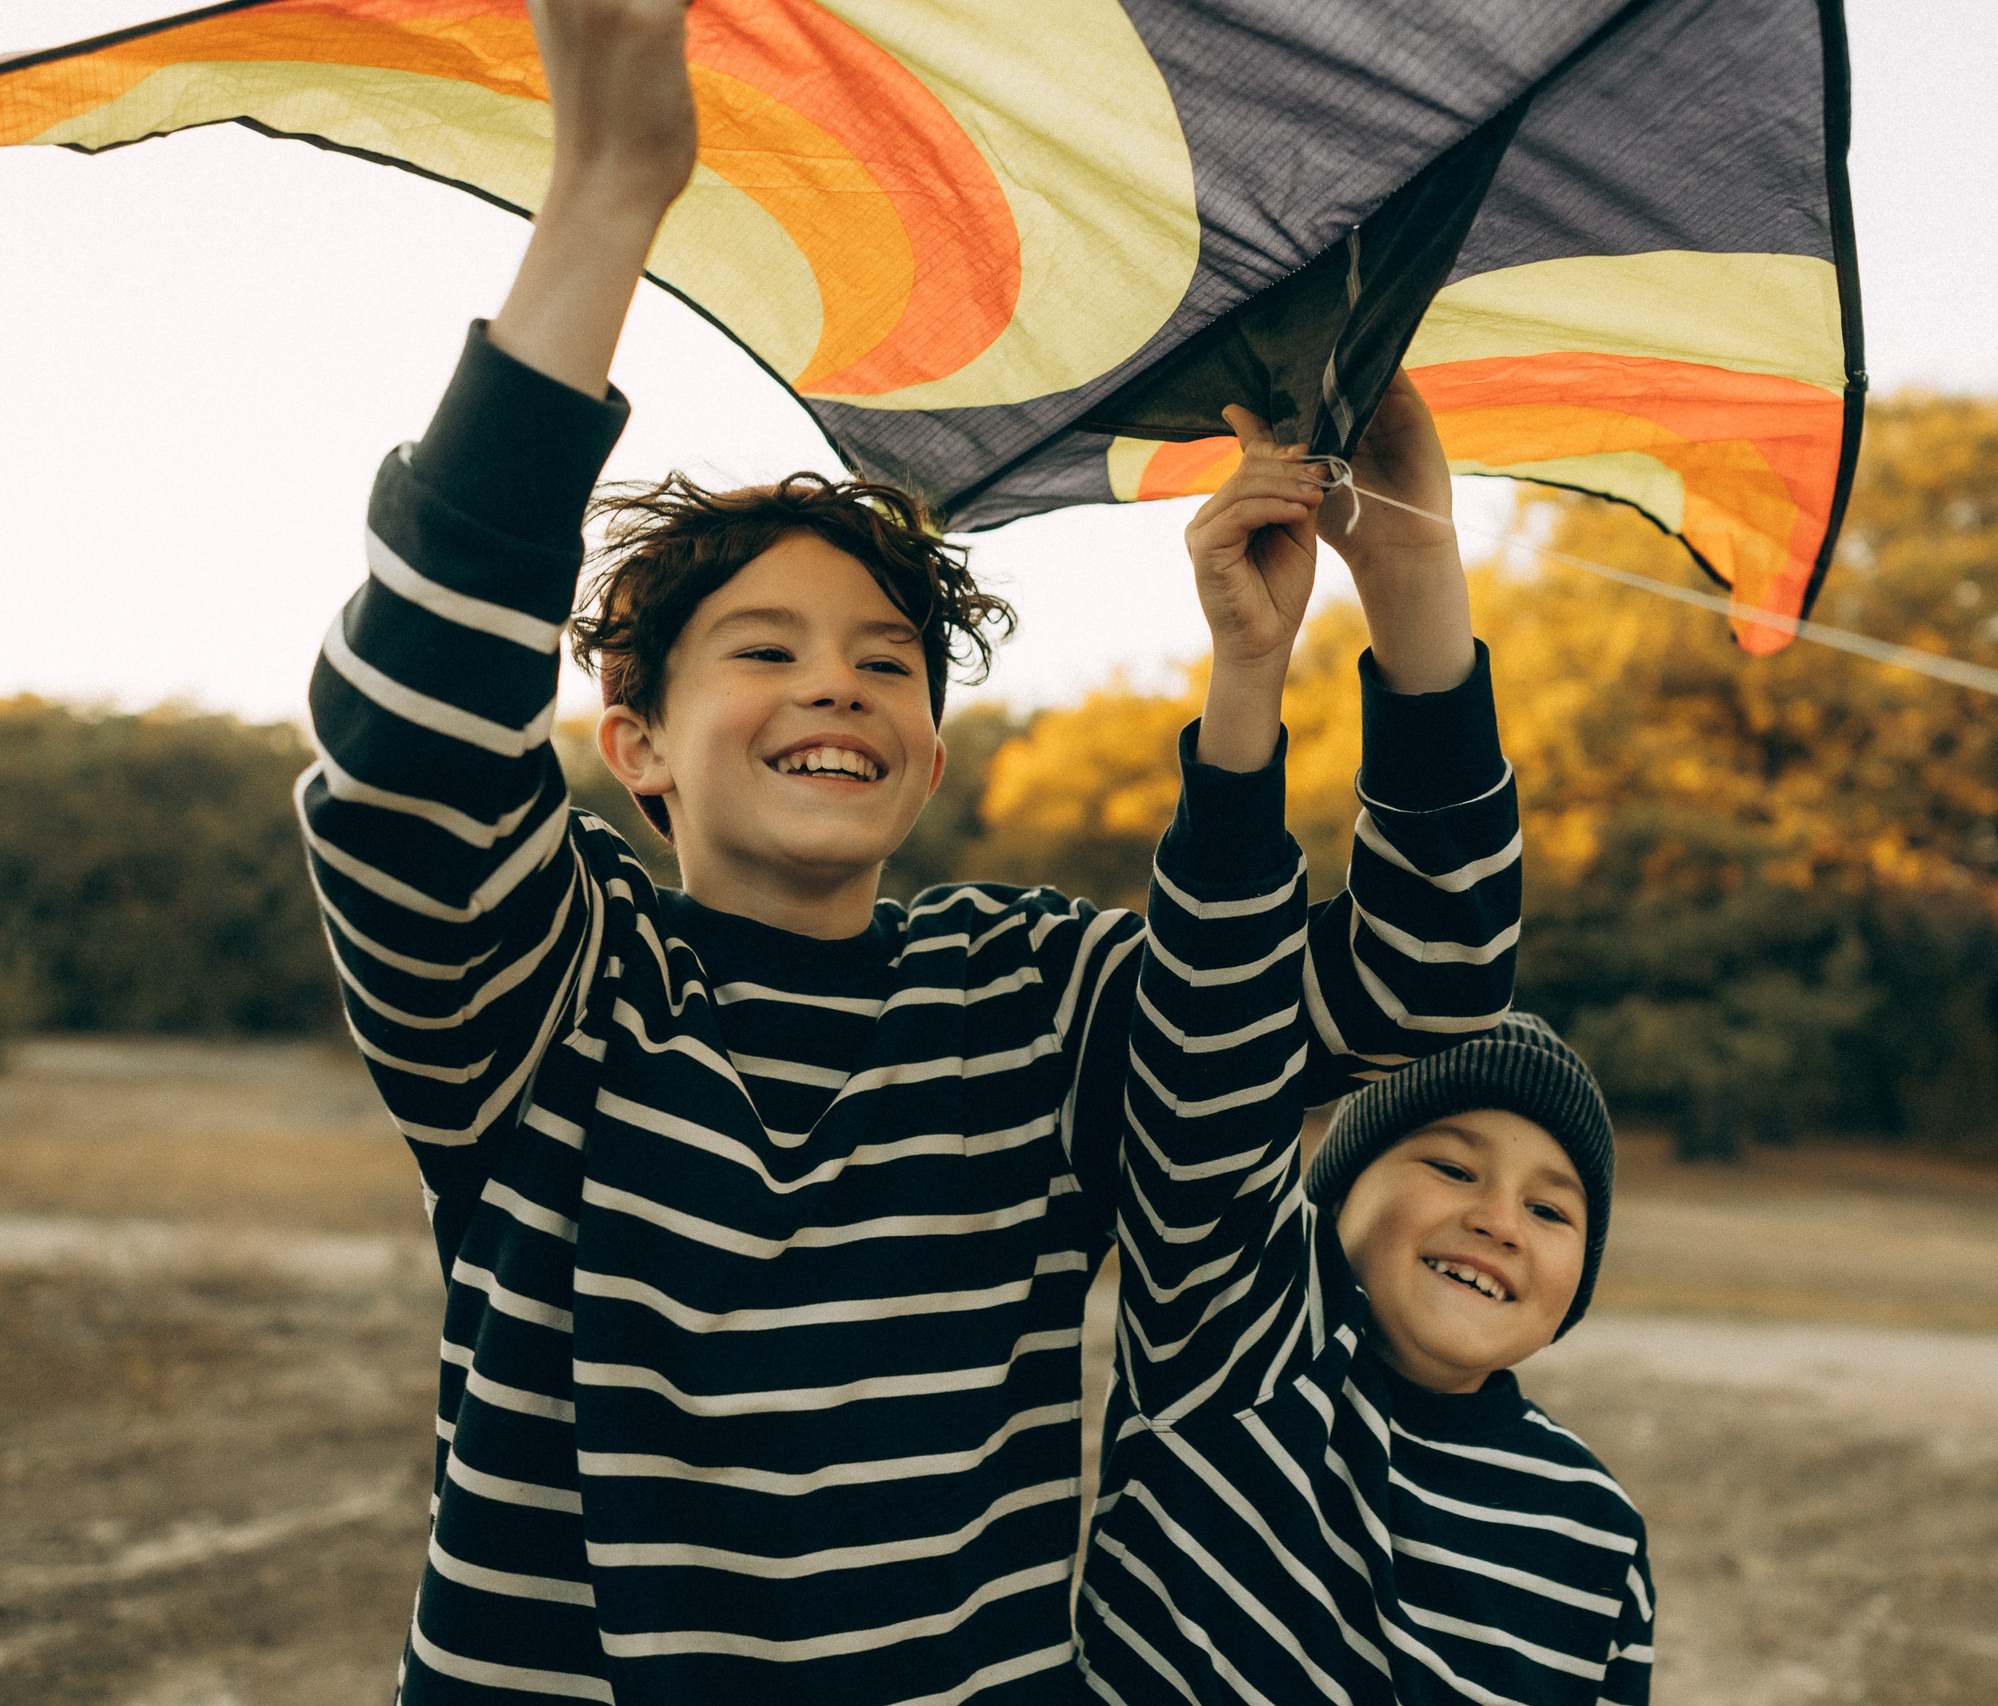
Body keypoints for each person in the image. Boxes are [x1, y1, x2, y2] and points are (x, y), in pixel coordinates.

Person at [297, 0, 1519, 1699]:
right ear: (635, 744)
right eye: (768, 649)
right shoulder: (554, 1001)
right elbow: (407, 750)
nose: (838, 686)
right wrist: (610, 191)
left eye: (887, 664)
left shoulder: (1029, 999)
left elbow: (1421, 981)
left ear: (927, 759)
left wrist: (1401, 587)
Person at [1081, 1010, 1650, 1704]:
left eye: (1550, 1210)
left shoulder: (1598, 1529)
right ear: (1338, 1193)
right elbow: (1209, 1093)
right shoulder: (1227, 1356)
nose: (1500, 1223)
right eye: (1453, 1168)